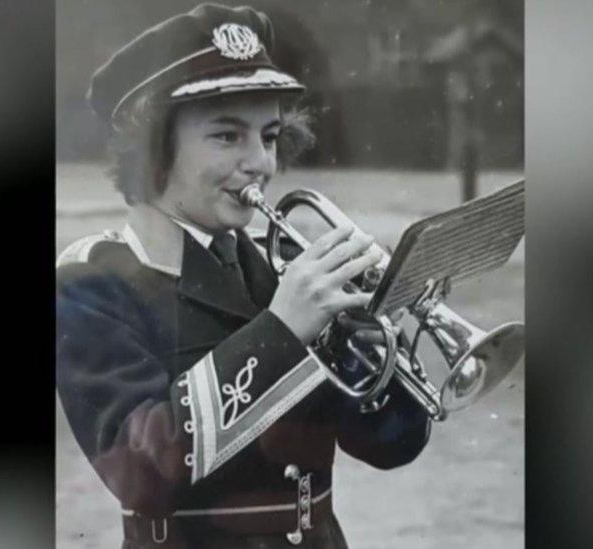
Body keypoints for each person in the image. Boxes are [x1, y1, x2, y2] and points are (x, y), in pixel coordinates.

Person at [56, 4, 430, 547]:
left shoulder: (278, 269)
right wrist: (282, 332)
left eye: (270, 136)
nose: (262, 163)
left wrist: (380, 346)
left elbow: (390, 446)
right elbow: (141, 475)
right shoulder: (90, 282)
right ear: (152, 150)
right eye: (228, 137)